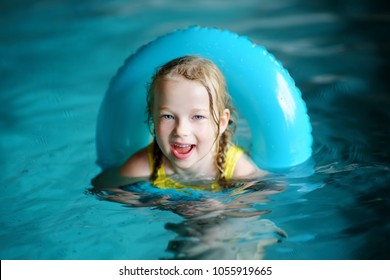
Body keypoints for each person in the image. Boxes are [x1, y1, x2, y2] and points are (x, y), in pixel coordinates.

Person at [120, 55, 265, 189]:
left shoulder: (239, 170)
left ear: (221, 123)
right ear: (153, 117)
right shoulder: (141, 167)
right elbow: (111, 195)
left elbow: (255, 207)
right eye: (168, 116)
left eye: (197, 117)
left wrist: (221, 208)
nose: (181, 130)